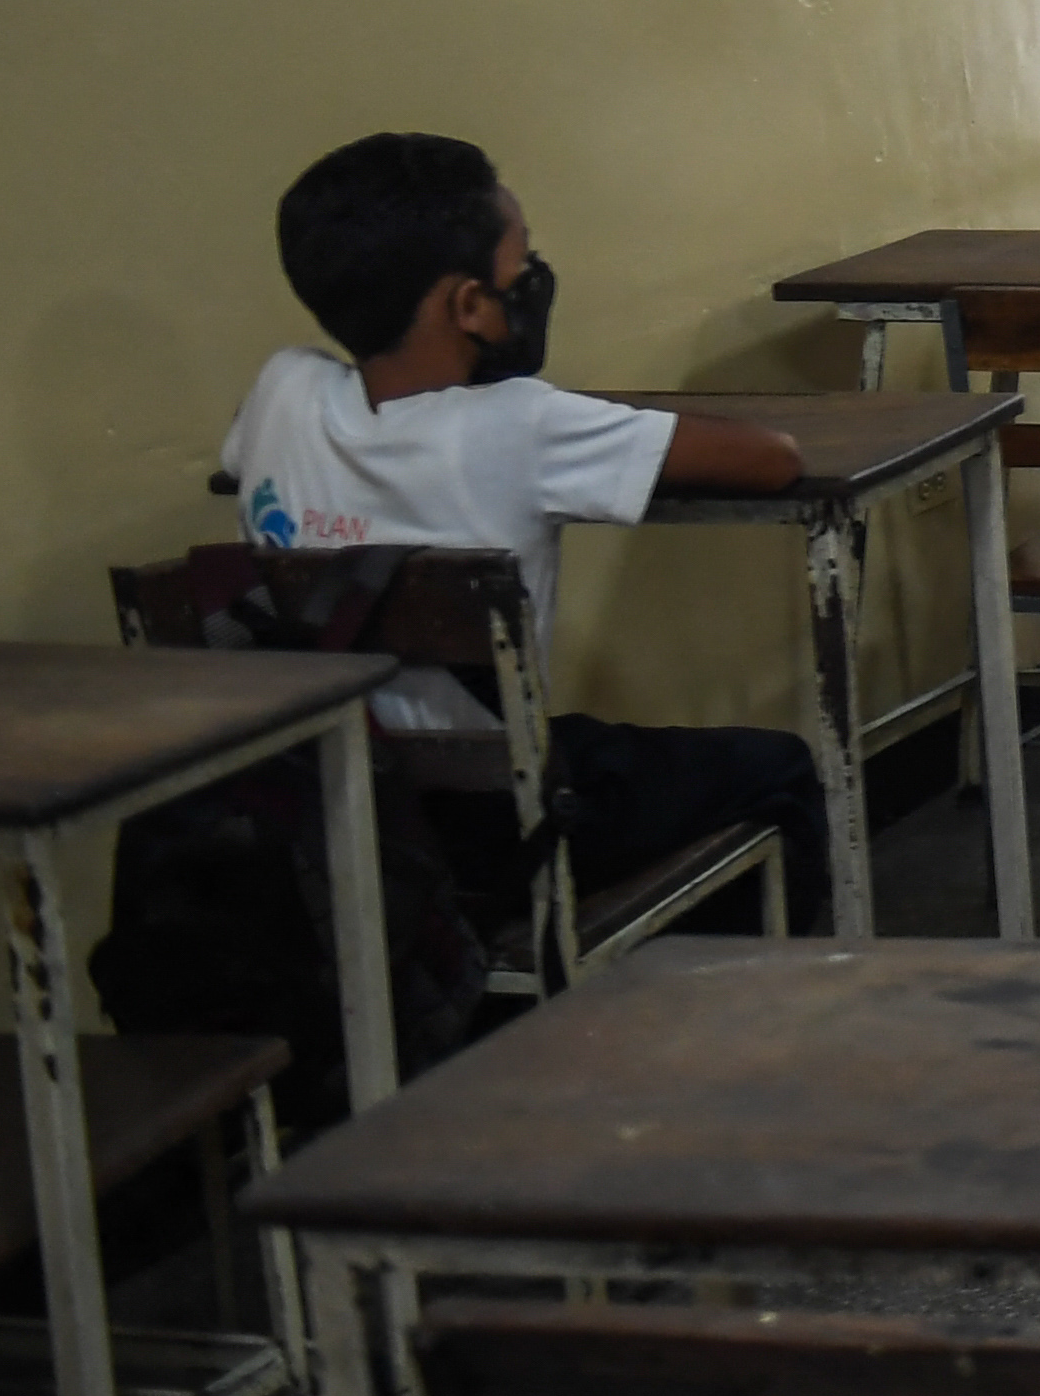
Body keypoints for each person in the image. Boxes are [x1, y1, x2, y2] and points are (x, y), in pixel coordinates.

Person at [223, 133, 831, 931]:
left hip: (315, 805)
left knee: (600, 750)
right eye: (523, 266)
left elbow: (244, 461)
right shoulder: (521, 425)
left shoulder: (283, 391)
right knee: (776, 770)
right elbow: (771, 461)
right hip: (488, 825)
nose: (532, 285)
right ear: (469, 306)